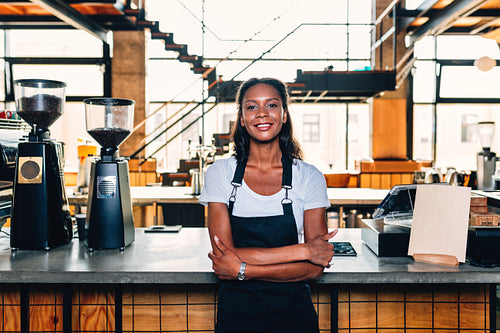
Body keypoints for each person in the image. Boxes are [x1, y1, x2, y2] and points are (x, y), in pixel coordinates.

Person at [199, 77, 337, 333]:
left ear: (284, 114)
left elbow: (315, 267)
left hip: (295, 316)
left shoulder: (309, 176)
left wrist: (242, 269)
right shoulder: (220, 173)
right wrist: (302, 251)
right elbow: (222, 257)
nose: (262, 113)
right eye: (251, 107)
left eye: (271, 105)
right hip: (237, 316)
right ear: (241, 118)